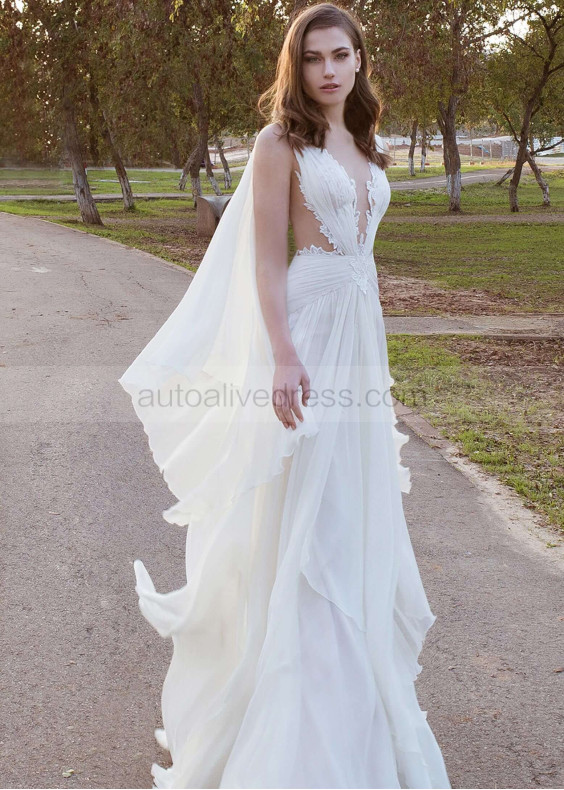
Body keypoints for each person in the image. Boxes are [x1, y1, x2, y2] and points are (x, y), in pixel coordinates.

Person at [118, 3, 451, 788]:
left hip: (360, 340)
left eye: (342, 55)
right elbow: (269, 260)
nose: (330, 70)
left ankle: (354, 710)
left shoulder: (362, 143)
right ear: (295, 67)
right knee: (306, 520)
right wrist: (282, 358)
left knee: (350, 517)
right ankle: (293, 733)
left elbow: (361, 257)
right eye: (314, 58)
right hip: (307, 338)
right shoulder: (281, 144)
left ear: (361, 60)